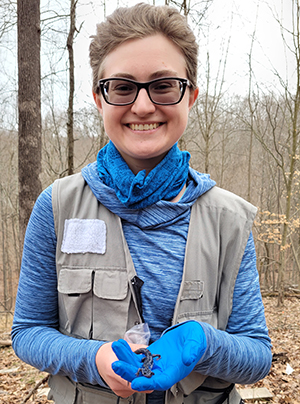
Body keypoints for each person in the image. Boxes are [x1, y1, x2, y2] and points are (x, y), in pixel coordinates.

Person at [12, 3, 272, 404]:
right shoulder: (57, 206)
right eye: (122, 87)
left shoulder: (230, 220)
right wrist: (92, 358)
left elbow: (257, 355)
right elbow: (28, 332)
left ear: (191, 96)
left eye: (164, 84)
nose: (144, 106)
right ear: (100, 99)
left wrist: (204, 343)